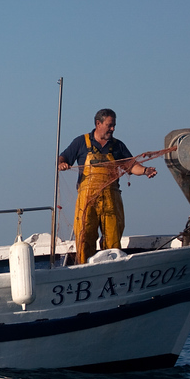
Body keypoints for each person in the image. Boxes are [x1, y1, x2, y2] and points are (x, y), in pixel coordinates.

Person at [57, 108, 157, 264]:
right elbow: (62, 158)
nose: (113, 129)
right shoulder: (81, 142)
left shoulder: (117, 146)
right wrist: (61, 164)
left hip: (111, 199)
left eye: (114, 125)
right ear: (98, 123)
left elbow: (131, 166)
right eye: (110, 125)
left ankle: (112, 269)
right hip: (87, 201)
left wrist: (145, 171)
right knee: (85, 237)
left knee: (112, 238)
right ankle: (84, 268)